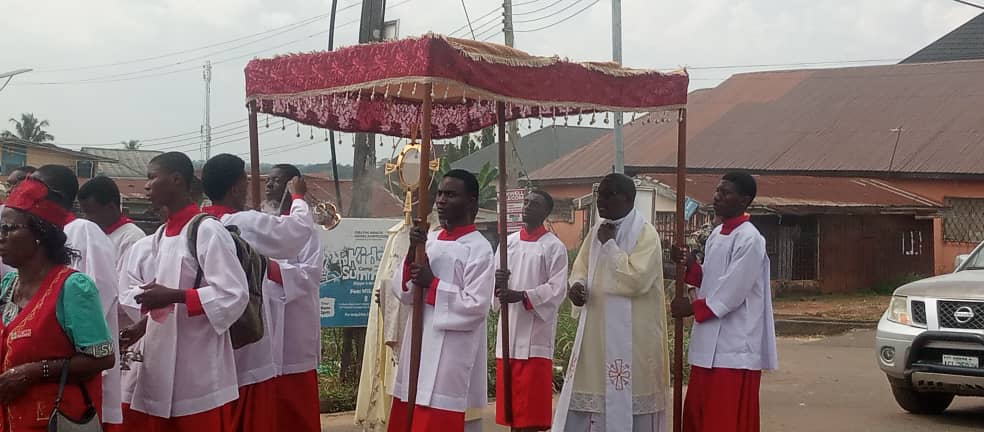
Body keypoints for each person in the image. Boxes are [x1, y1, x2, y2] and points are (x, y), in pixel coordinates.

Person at [118, 151, 249, 432]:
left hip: (198, 365)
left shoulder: (207, 230)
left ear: (177, 179)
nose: (146, 186)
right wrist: (143, 323)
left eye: (152, 178)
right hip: (161, 360)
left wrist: (175, 296)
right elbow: (161, 292)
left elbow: (233, 293)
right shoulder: (161, 235)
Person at [200, 154, 313, 432]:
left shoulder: (198, 223)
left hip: (210, 328)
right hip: (245, 329)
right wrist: (299, 198)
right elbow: (296, 232)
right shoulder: (245, 222)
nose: (262, 186)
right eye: (246, 181)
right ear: (236, 187)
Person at [553, 173, 670, 432]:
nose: (600, 201)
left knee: (630, 398)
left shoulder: (646, 234)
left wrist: (610, 246)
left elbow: (637, 280)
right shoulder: (597, 231)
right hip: (596, 332)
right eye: (599, 195)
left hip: (634, 337)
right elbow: (581, 268)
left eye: (608, 195)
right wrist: (577, 286)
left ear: (627, 198)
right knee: (591, 393)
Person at [0, 178, 115, 431]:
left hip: (56, 421)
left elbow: (102, 358)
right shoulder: (8, 285)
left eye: (9, 229)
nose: (1, 237)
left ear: (39, 235)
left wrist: (32, 372)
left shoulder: (72, 288)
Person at [387, 169, 494, 432]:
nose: (441, 200)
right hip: (419, 340)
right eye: (440, 194)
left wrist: (433, 284)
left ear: (471, 202)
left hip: (450, 350)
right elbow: (405, 293)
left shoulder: (479, 249)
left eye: (451, 195)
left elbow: (476, 306)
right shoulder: (430, 240)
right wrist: (412, 251)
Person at [671, 172, 777, 432]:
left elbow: (732, 292)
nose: (717, 197)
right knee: (698, 414)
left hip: (734, 345)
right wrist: (689, 264)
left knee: (722, 419)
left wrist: (691, 308)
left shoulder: (750, 239)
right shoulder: (717, 234)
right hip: (708, 342)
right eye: (717, 191)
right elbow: (711, 279)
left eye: (725, 192)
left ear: (744, 200)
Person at [31, 164, 124, 429]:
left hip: (80, 357)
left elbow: (101, 290)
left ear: (55, 194)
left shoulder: (82, 229)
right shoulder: (38, 234)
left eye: (34, 185)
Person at [356, 210, 439, 432]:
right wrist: (386, 293)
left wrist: (432, 284)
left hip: (432, 326)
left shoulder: (440, 236)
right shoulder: (399, 234)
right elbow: (398, 282)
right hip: (404, 322)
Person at [493, 189, 568, 432]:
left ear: (546, 212)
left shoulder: (554, 247)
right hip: (509, 331)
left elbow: (557, 289)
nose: (526, 207)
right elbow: (492, 284)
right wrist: (497, 284)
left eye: (534, 204)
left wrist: (523, 296)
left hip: (535, 337)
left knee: (530, 413)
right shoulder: (508, 243)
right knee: (512, 411)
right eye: (526, 202)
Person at [258, 164, 325, 432]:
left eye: (276, 181)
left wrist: (269, 268)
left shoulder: (308, 232)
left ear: (291, 186)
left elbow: (309, 275)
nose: (268, 185)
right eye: (267, 180)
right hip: (264, 323)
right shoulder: (261, 225)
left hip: (294, 328)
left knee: (296, 410)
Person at [78, 175, 147, 264]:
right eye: (84, 213)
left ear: (111, 208)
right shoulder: (90, 234)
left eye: (90, 212)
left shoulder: (132, 239)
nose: (86, 218)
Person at [0, 166, 36, 278]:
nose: (9, 190)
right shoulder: (3, 211)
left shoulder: (41, 218)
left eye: (14, 184)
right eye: (8, 185)